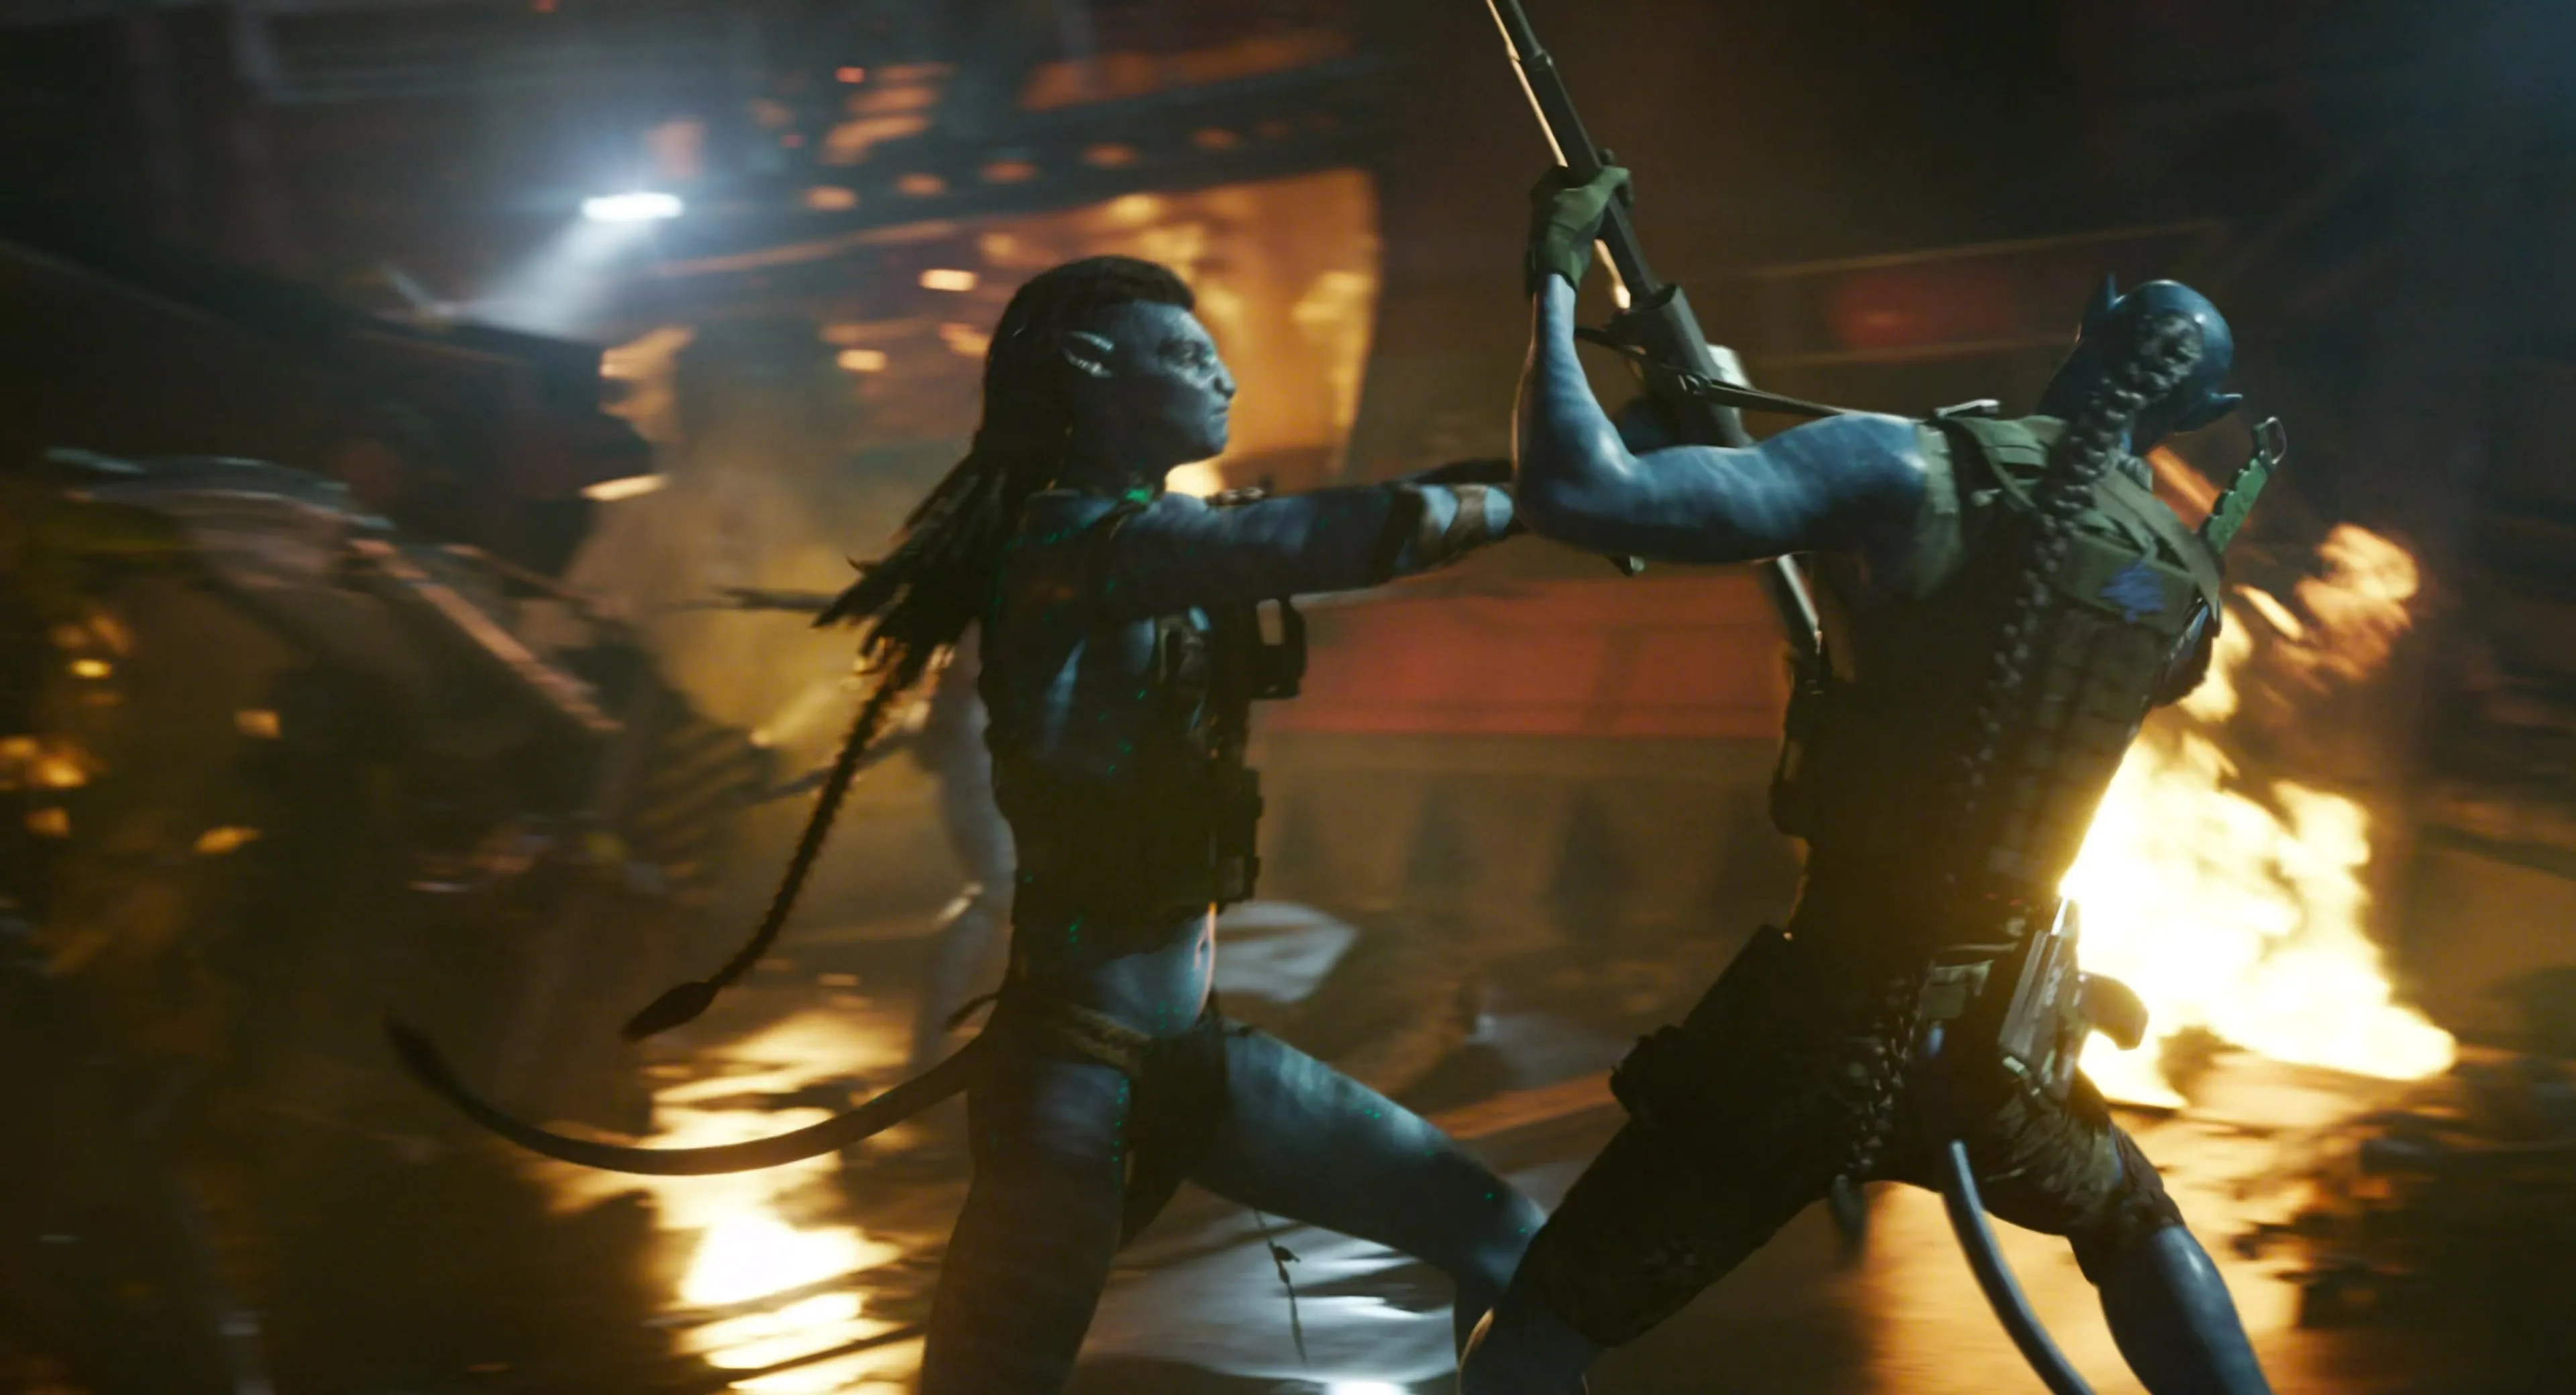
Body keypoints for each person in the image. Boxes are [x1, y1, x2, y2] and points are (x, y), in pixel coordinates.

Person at [1456, 170, 2276, 1394]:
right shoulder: (2186, 592)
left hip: (1818, 1030)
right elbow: (2001, 674)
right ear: (2201, 412)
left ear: (2087, 331)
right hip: (1996, 1047)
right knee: (2131, 1223)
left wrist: (1556, 278)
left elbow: (1579, 491)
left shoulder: (1905, 465)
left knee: (1530, 1342)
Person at [828, 255, 1541, 1391]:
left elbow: (1302, 532)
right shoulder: (1074, 547)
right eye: (1187, 356)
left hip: (1190, 1057)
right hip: (1075, 1081)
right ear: (1090, 369)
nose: (1226, 379)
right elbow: (1308, 538)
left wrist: (1541, 470)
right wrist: (1537, 496)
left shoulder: (1145, 541)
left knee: (1503, 1239)